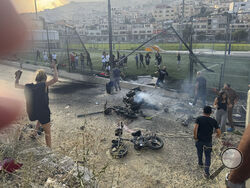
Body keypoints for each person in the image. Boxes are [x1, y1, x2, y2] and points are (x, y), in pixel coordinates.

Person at [15, 60, 59, 148]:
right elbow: (55, 79)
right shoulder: (43, 85)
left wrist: (17, 77)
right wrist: (54, 67)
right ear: (44, 79)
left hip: (32, 113)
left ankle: (35, 132)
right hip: (43, 113)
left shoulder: (29, 86)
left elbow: (16, 85)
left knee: (40, 116)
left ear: (36, 78)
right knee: (48, 134)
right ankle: (49, 150)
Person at [194, 106, 221, 178]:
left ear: (203, 111)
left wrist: (195, 137)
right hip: (208, 141)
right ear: (211, 112)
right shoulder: (213, 121)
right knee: (208, 156)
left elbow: (195, 129)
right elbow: (218, 131)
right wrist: (217, 136)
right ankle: (206, 172)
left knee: (199, 152)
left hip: (199, 140)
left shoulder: (199, 118)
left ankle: (200, 163)